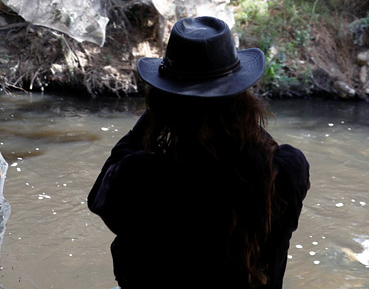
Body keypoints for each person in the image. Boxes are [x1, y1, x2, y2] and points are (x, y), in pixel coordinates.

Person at [87, 15, 310, 289]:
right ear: (242, 99)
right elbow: (258, 145)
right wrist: (238, 114)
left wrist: (155, 116)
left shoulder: (141, 176)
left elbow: (98, 197)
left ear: (162, 103)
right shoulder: (284, 171)